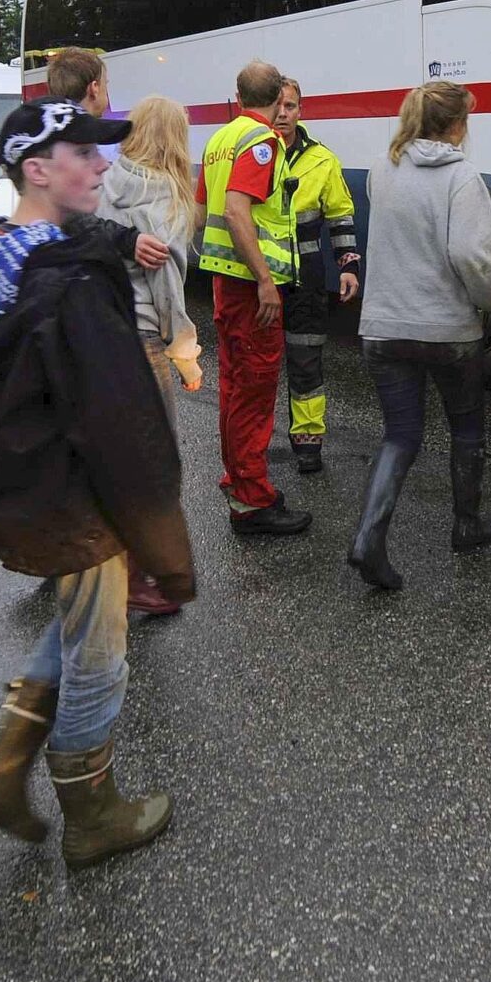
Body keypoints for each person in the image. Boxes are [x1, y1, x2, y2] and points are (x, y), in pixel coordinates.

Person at [0, 98, 196, 867]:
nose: (103, 164)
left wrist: (116, 237)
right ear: (37, 168)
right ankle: (91, 808)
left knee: (81, 621)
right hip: (79, 491)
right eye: (84, 153)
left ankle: (2, 769)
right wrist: (155, 517)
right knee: (102, 649)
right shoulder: (70, 282)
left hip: (22, 483)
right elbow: (114, 415)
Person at [347, 83, 491, 591]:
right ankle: (467, 523)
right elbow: (470, 255)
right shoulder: (463, 178)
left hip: (384, 325)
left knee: (400, 435)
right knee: (466, 429)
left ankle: (368, 541)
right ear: (459, 125)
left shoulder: (382, 168)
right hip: (447, 331)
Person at [99, 94, 204, 616]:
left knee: (113, 457)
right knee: (156, 464)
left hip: (100, 336)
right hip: (142, 339)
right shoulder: (166, 195)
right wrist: (183, 347)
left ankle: (104, 568)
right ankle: (141, 577)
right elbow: (166, 286)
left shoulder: (106, 180)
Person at [199, 59, 308, 535]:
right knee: (255, 390)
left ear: (237, 94)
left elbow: (203, 206)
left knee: (234, 386)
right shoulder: (261, 143)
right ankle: (252, 498)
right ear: (276, 95)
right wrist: (265, 278)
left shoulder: (220, 138)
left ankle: (241, 480)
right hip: (249, 287)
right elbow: (236, 210)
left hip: (225, 283)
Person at [271, 79, 362, 476]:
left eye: (290, 106)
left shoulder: (323, 160)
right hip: (262, 275)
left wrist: (349, 265)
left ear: (300, 111)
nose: (283, 114)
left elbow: (340, 215)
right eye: (277, 106)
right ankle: (250, 445)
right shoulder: (255, 153)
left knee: (307, 360)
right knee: (259, 366)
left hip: (306, 276)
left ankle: (308, 442)